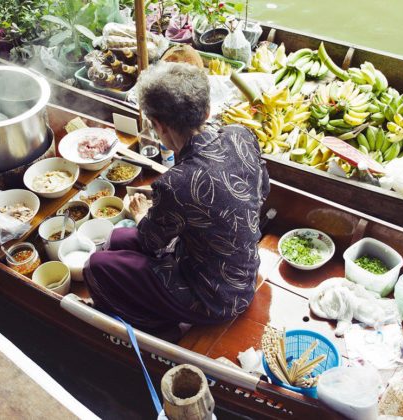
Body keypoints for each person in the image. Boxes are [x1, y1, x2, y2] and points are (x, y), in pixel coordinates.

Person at [83, 62, 270, 339]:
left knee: (96, 266)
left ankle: (157, 328)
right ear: (206, 112)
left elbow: (151, 243)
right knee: (119, 238)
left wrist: (141, 213)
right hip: (242, 270)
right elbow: (262, 190)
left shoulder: (176, 184)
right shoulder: (240, 135)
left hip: (215, 299)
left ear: (158, 125)